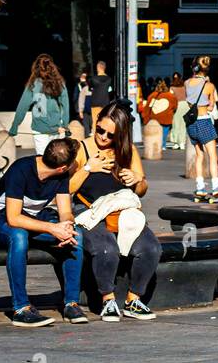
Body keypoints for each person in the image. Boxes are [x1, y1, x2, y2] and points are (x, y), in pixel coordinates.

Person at [0, 136, 85, 327]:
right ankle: (21, 308)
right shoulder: (21, 170)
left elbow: (66, 212)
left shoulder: (61, 176)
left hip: (33, 220)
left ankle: (71, 303)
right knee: (18, 236)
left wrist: (66, 226)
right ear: (62, 167)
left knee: (76, 236)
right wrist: (53, 228)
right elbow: (13, 218)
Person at [69, 101, 161, 320]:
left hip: (122, 211)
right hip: (89, 212)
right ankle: (107, 300)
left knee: (151, 248)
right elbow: (67, 187)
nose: (103, 137)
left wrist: (138, 179)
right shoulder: (82, 149)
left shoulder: (127, 151)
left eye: (110, 135)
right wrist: (89, 168)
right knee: (106, 249)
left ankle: (133, 300)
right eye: (100, 130)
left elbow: (141, 190)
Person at [8, 54, 69, 156]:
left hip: (40, 129)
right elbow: (65, 105)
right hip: (57, 128)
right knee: (56, 160)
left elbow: (22, 107)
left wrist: (14, 126)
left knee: (42, 160)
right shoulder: (59, 83)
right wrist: (65, 125)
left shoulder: (32, 84)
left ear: (36, 67)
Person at [184, 56, 218, 202]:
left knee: (199, 155)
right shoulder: (209, 85)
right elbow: (212, 106)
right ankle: (215, 187)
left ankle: (200, 187)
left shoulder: (187, 82)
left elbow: (189, 102)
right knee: (212, 156)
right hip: (204, 121)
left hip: (191, 123)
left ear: (194, 68)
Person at [140, 79, 177, 147]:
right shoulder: (171, 96)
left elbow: (147, 107)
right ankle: (163, 145)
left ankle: (156, 145)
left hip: (154, 117)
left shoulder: (152, 95)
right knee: (165, 132)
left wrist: (145, 116)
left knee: (155, 132)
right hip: (166, 118)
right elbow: (175, 106)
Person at [89, 60, 112, 132]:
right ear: (104, 68)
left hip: (95, 102)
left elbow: (90, 88)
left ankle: (95, 137)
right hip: (105, 102)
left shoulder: (93, 79)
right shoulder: (109, 79)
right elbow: (110, 90)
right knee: (104, 120)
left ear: (98, 68)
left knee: (95, 121)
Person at [167, 73, 188, 151]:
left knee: (175, 124)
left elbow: (171, 98)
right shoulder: (184, 87)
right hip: (185, 105)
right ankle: (182, 142)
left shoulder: (172, 88)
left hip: (176, 105)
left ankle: (176, 143)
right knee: (183, 124)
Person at [75, 70, 93, 136]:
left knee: (90, 126)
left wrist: (80, 111)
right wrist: (80, 111)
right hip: (86, 111)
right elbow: (81, 100)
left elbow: (81, 100)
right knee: (87, 127)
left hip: (91, 111)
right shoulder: (84, 89)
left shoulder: (86, 89)